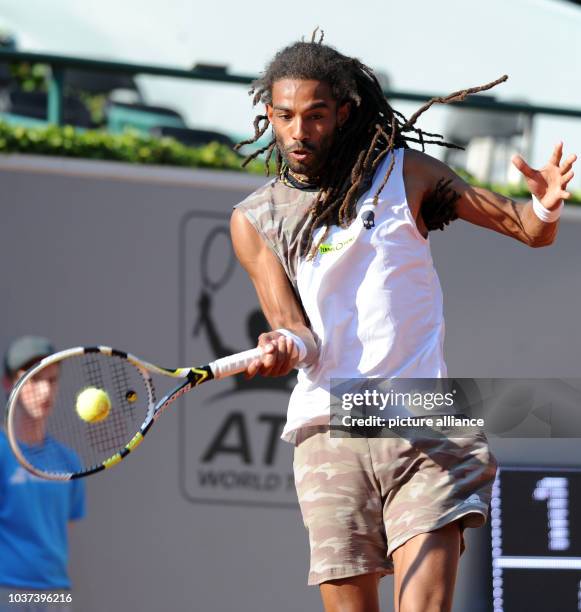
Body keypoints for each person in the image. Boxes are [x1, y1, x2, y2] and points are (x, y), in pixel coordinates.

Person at [229, 34, 577, 612]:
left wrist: (545, 205)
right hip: (329, 425)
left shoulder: (405, 174)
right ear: (267, 113)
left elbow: (527, 228)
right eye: (285, 116)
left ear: (343, 113)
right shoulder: (253, 220)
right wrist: (281, 345)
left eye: (315, 116)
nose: (298, 131)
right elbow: (294, 328)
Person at [0, 336, 86, 611]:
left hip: (55, 593)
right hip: (7, 590)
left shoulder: (69, 461)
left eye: (51, 380)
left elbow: (63, 531)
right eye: (35, 380)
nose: (45, 391)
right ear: (8, 383)